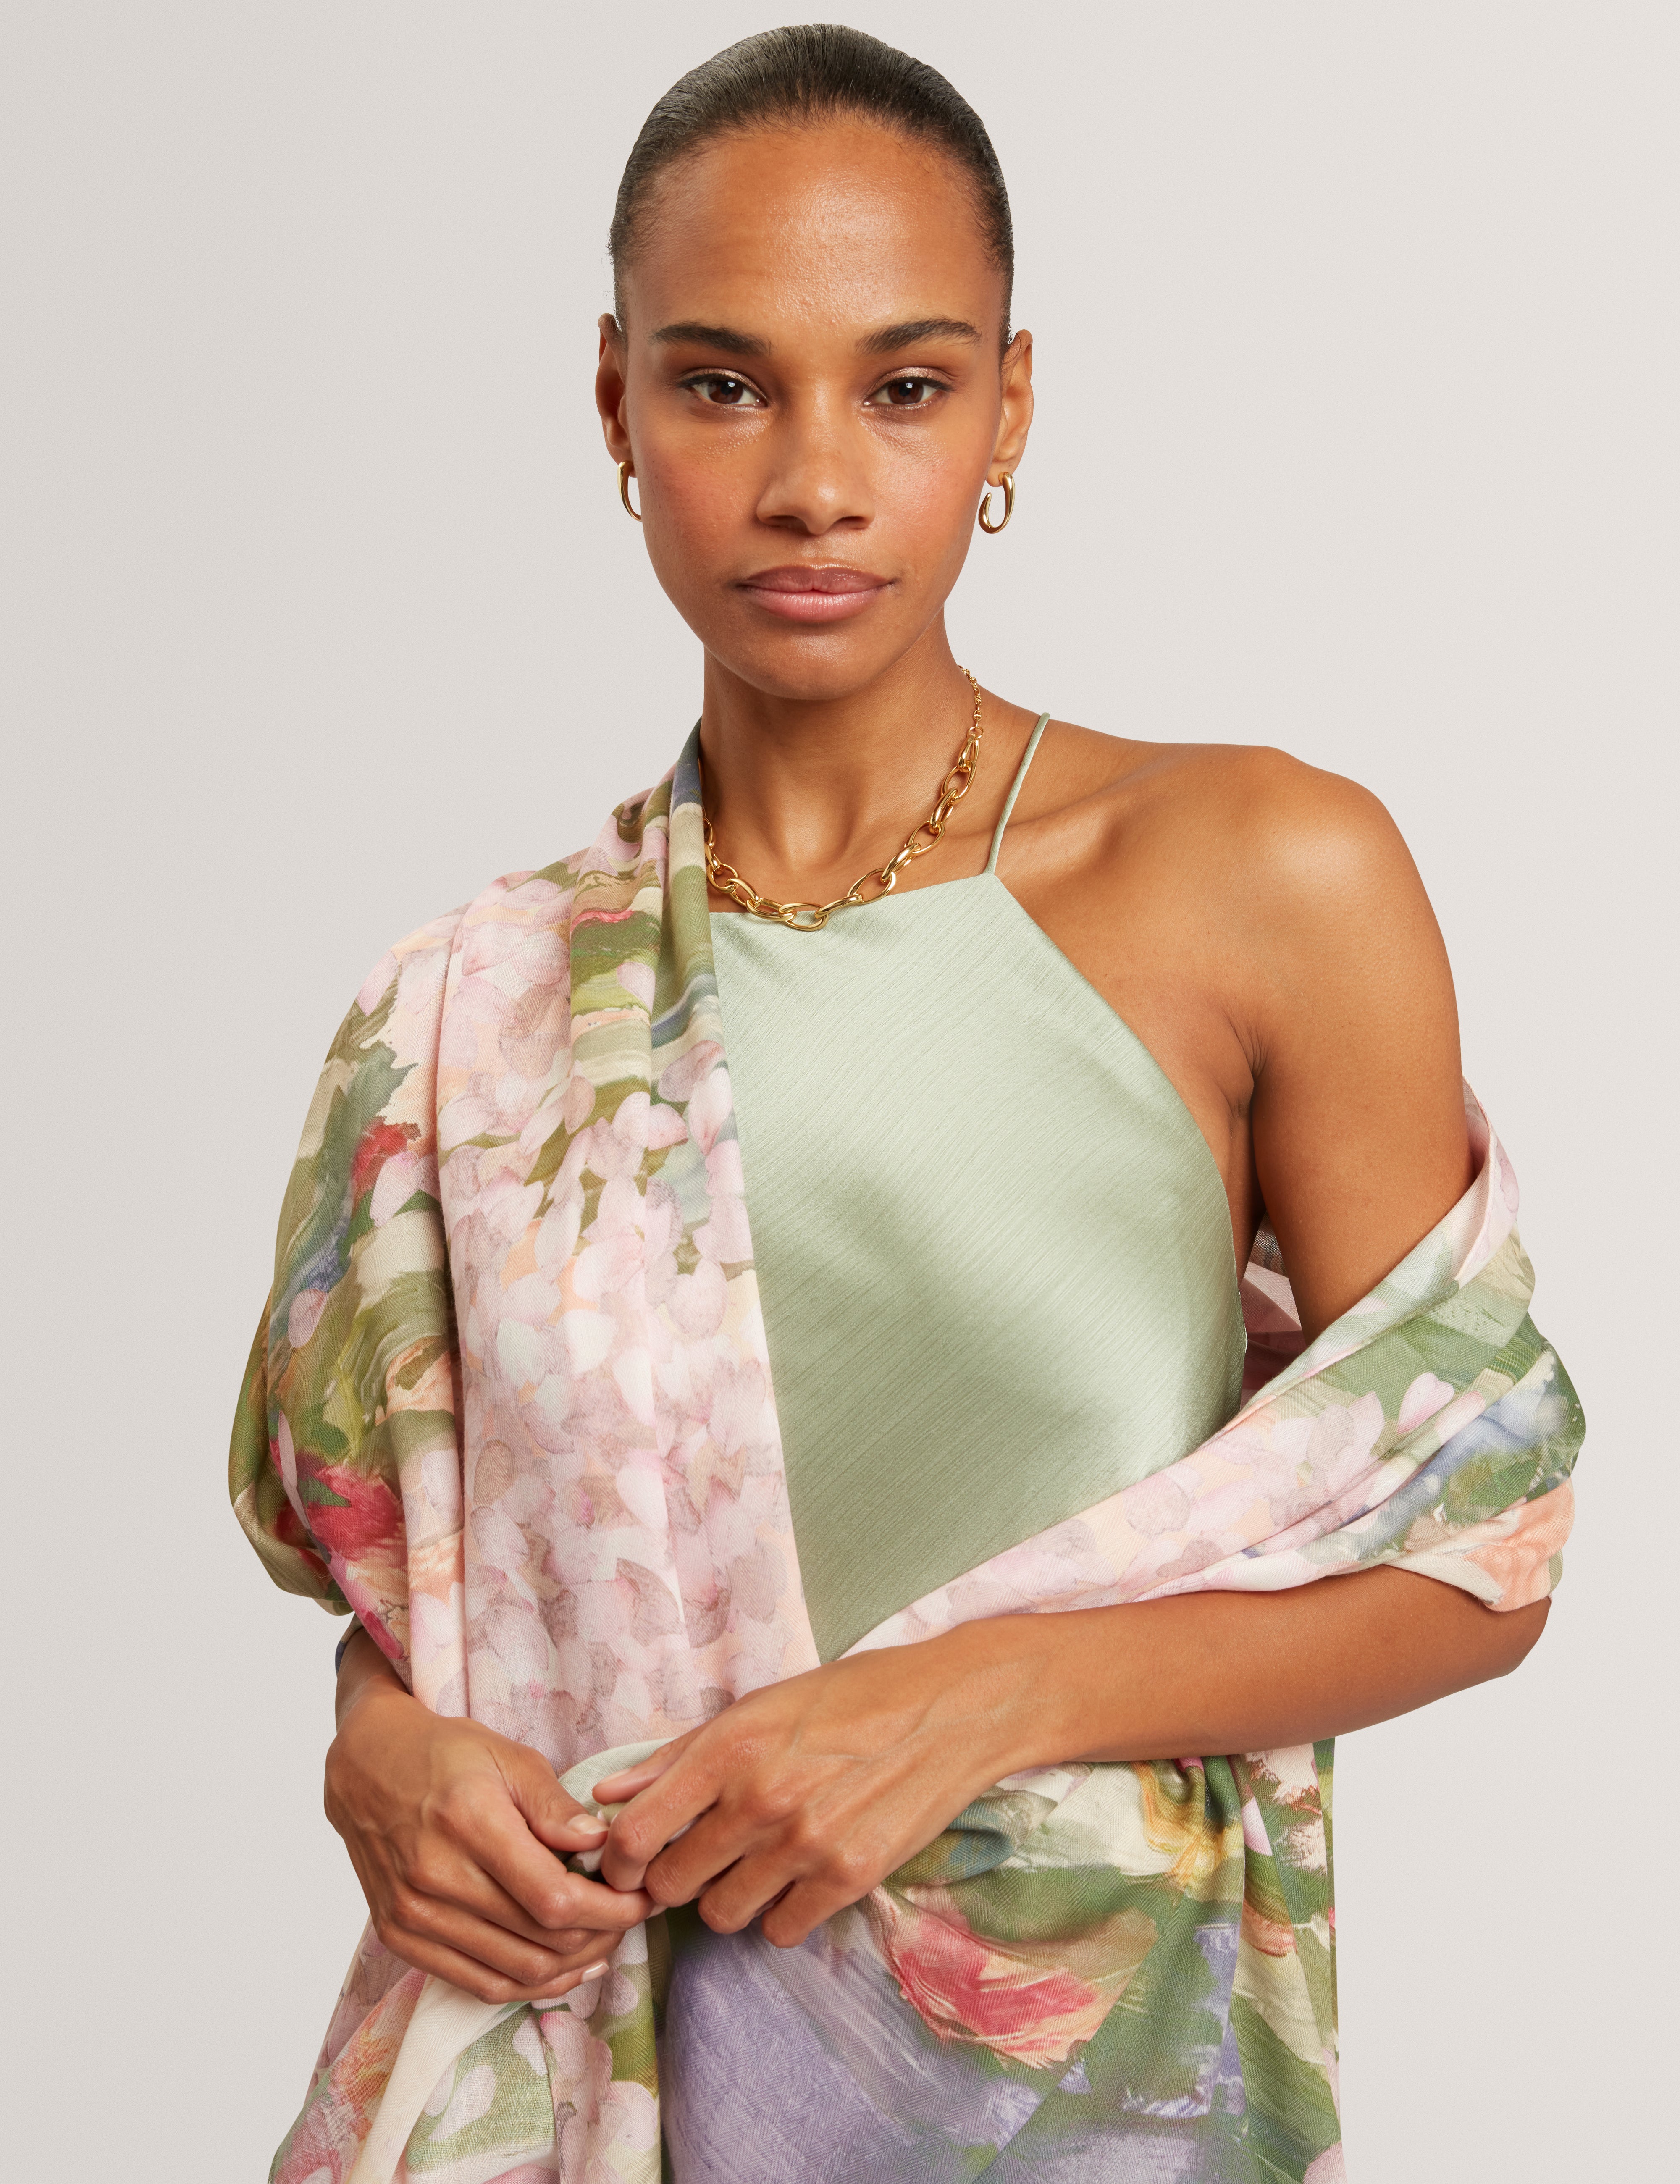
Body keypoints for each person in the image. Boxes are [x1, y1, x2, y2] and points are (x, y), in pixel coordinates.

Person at [231, 26, 1581, 2182]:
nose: (814, 483)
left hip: (1080, 2092)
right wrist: (371, 1748)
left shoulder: (1262, 874)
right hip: (595, 2076)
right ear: (615, 405)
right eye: (722, 384)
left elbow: (1480, 1546)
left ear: (1008, 408)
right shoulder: (470, 1013)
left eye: (906, 386)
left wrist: (980, 1698)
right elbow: (418, 1602)